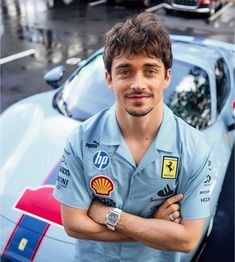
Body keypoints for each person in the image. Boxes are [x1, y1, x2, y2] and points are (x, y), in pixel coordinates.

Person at [54, 12, 212, 262]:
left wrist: (108, 215)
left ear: (166, 77)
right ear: (109, 79)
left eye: (150, 71)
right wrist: (153, 227)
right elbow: (74, 224)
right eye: (125, 71)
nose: (138, 84)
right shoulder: (81, 139)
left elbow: (187, 239)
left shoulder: (194, 148)